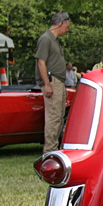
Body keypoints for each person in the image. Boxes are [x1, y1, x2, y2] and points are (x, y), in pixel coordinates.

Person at [36, 12, 71, 152]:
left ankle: (54, 147)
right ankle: (49, 150)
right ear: (60, 23)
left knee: (59, 116)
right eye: (66, 26)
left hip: (58, 82)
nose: (67, 30)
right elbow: (41, 62)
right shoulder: (46, 39)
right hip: (52, 81)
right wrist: (47, 84)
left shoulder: (54, 40)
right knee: (53, 117)